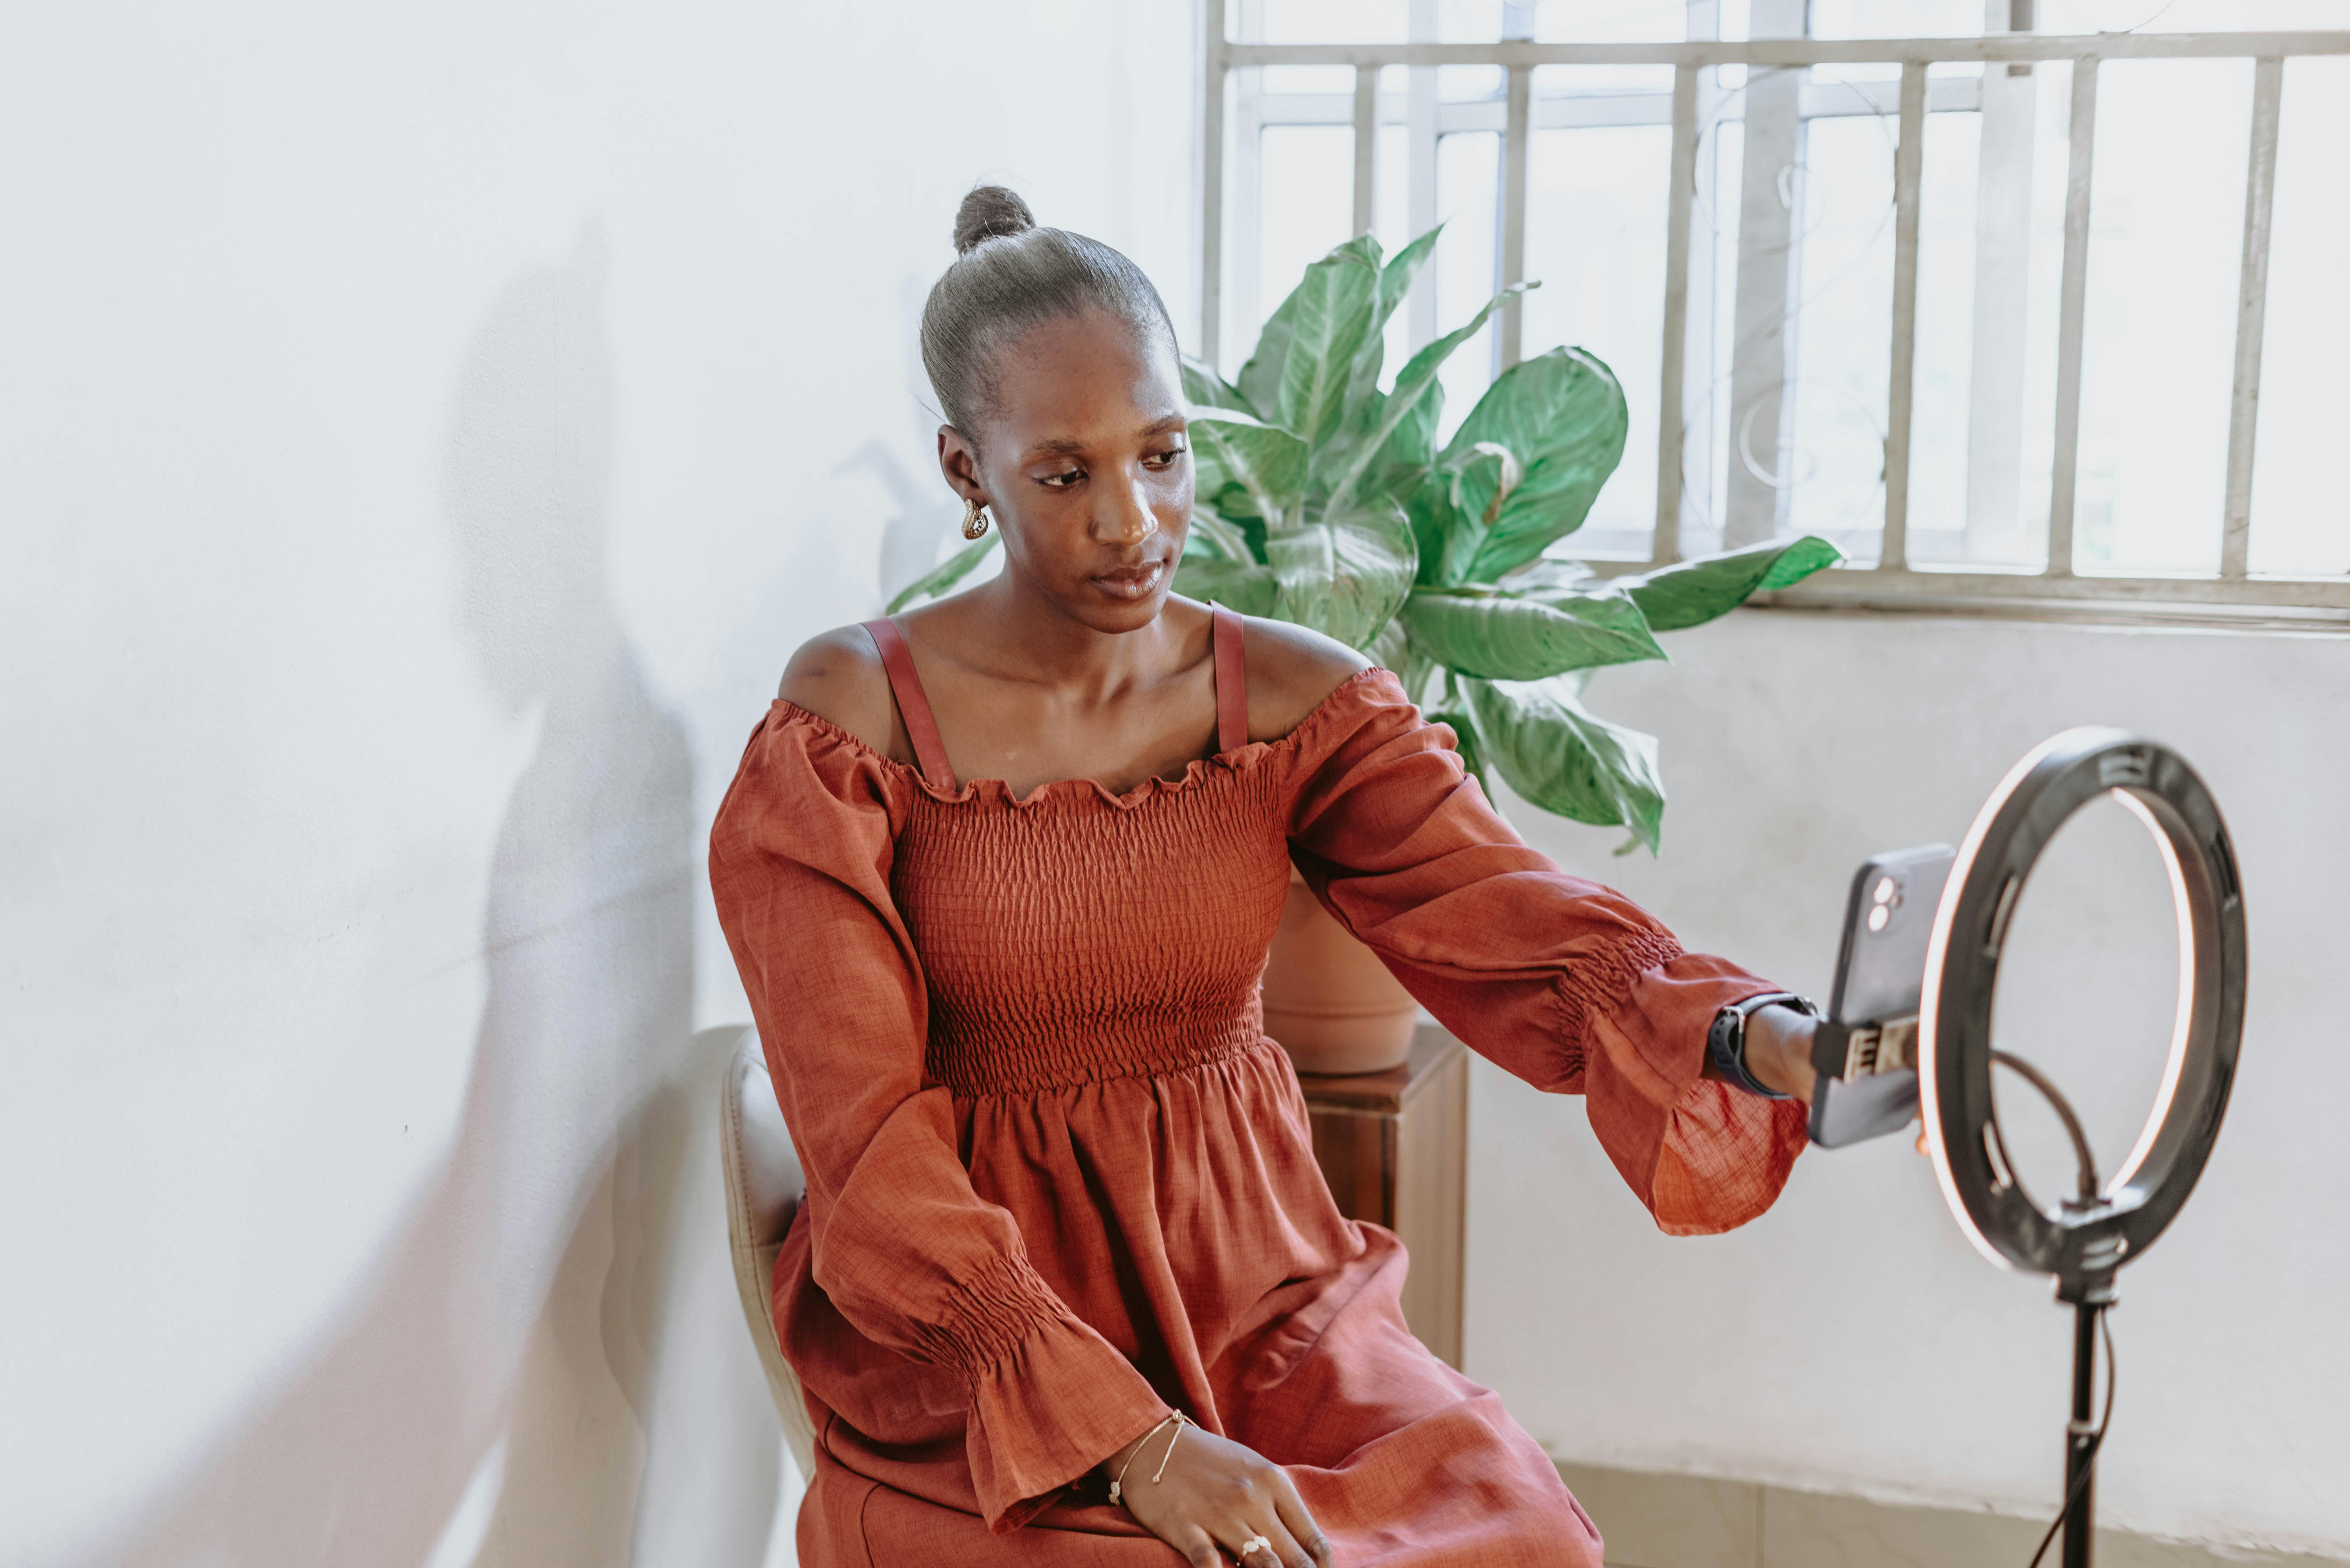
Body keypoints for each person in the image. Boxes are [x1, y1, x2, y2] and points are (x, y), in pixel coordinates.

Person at [709, 186, 1822, 1568]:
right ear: (964, 470)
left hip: (1264, 1291)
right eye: (1065, 475)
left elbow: (1510, 914)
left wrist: (1752, 1034)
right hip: (978, 1350)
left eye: (1163, 455)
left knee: (1521, 1536)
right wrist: (1138, 1444)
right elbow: (862, 1140)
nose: (1134, 521)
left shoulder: (1293, 695)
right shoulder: (850, 723)